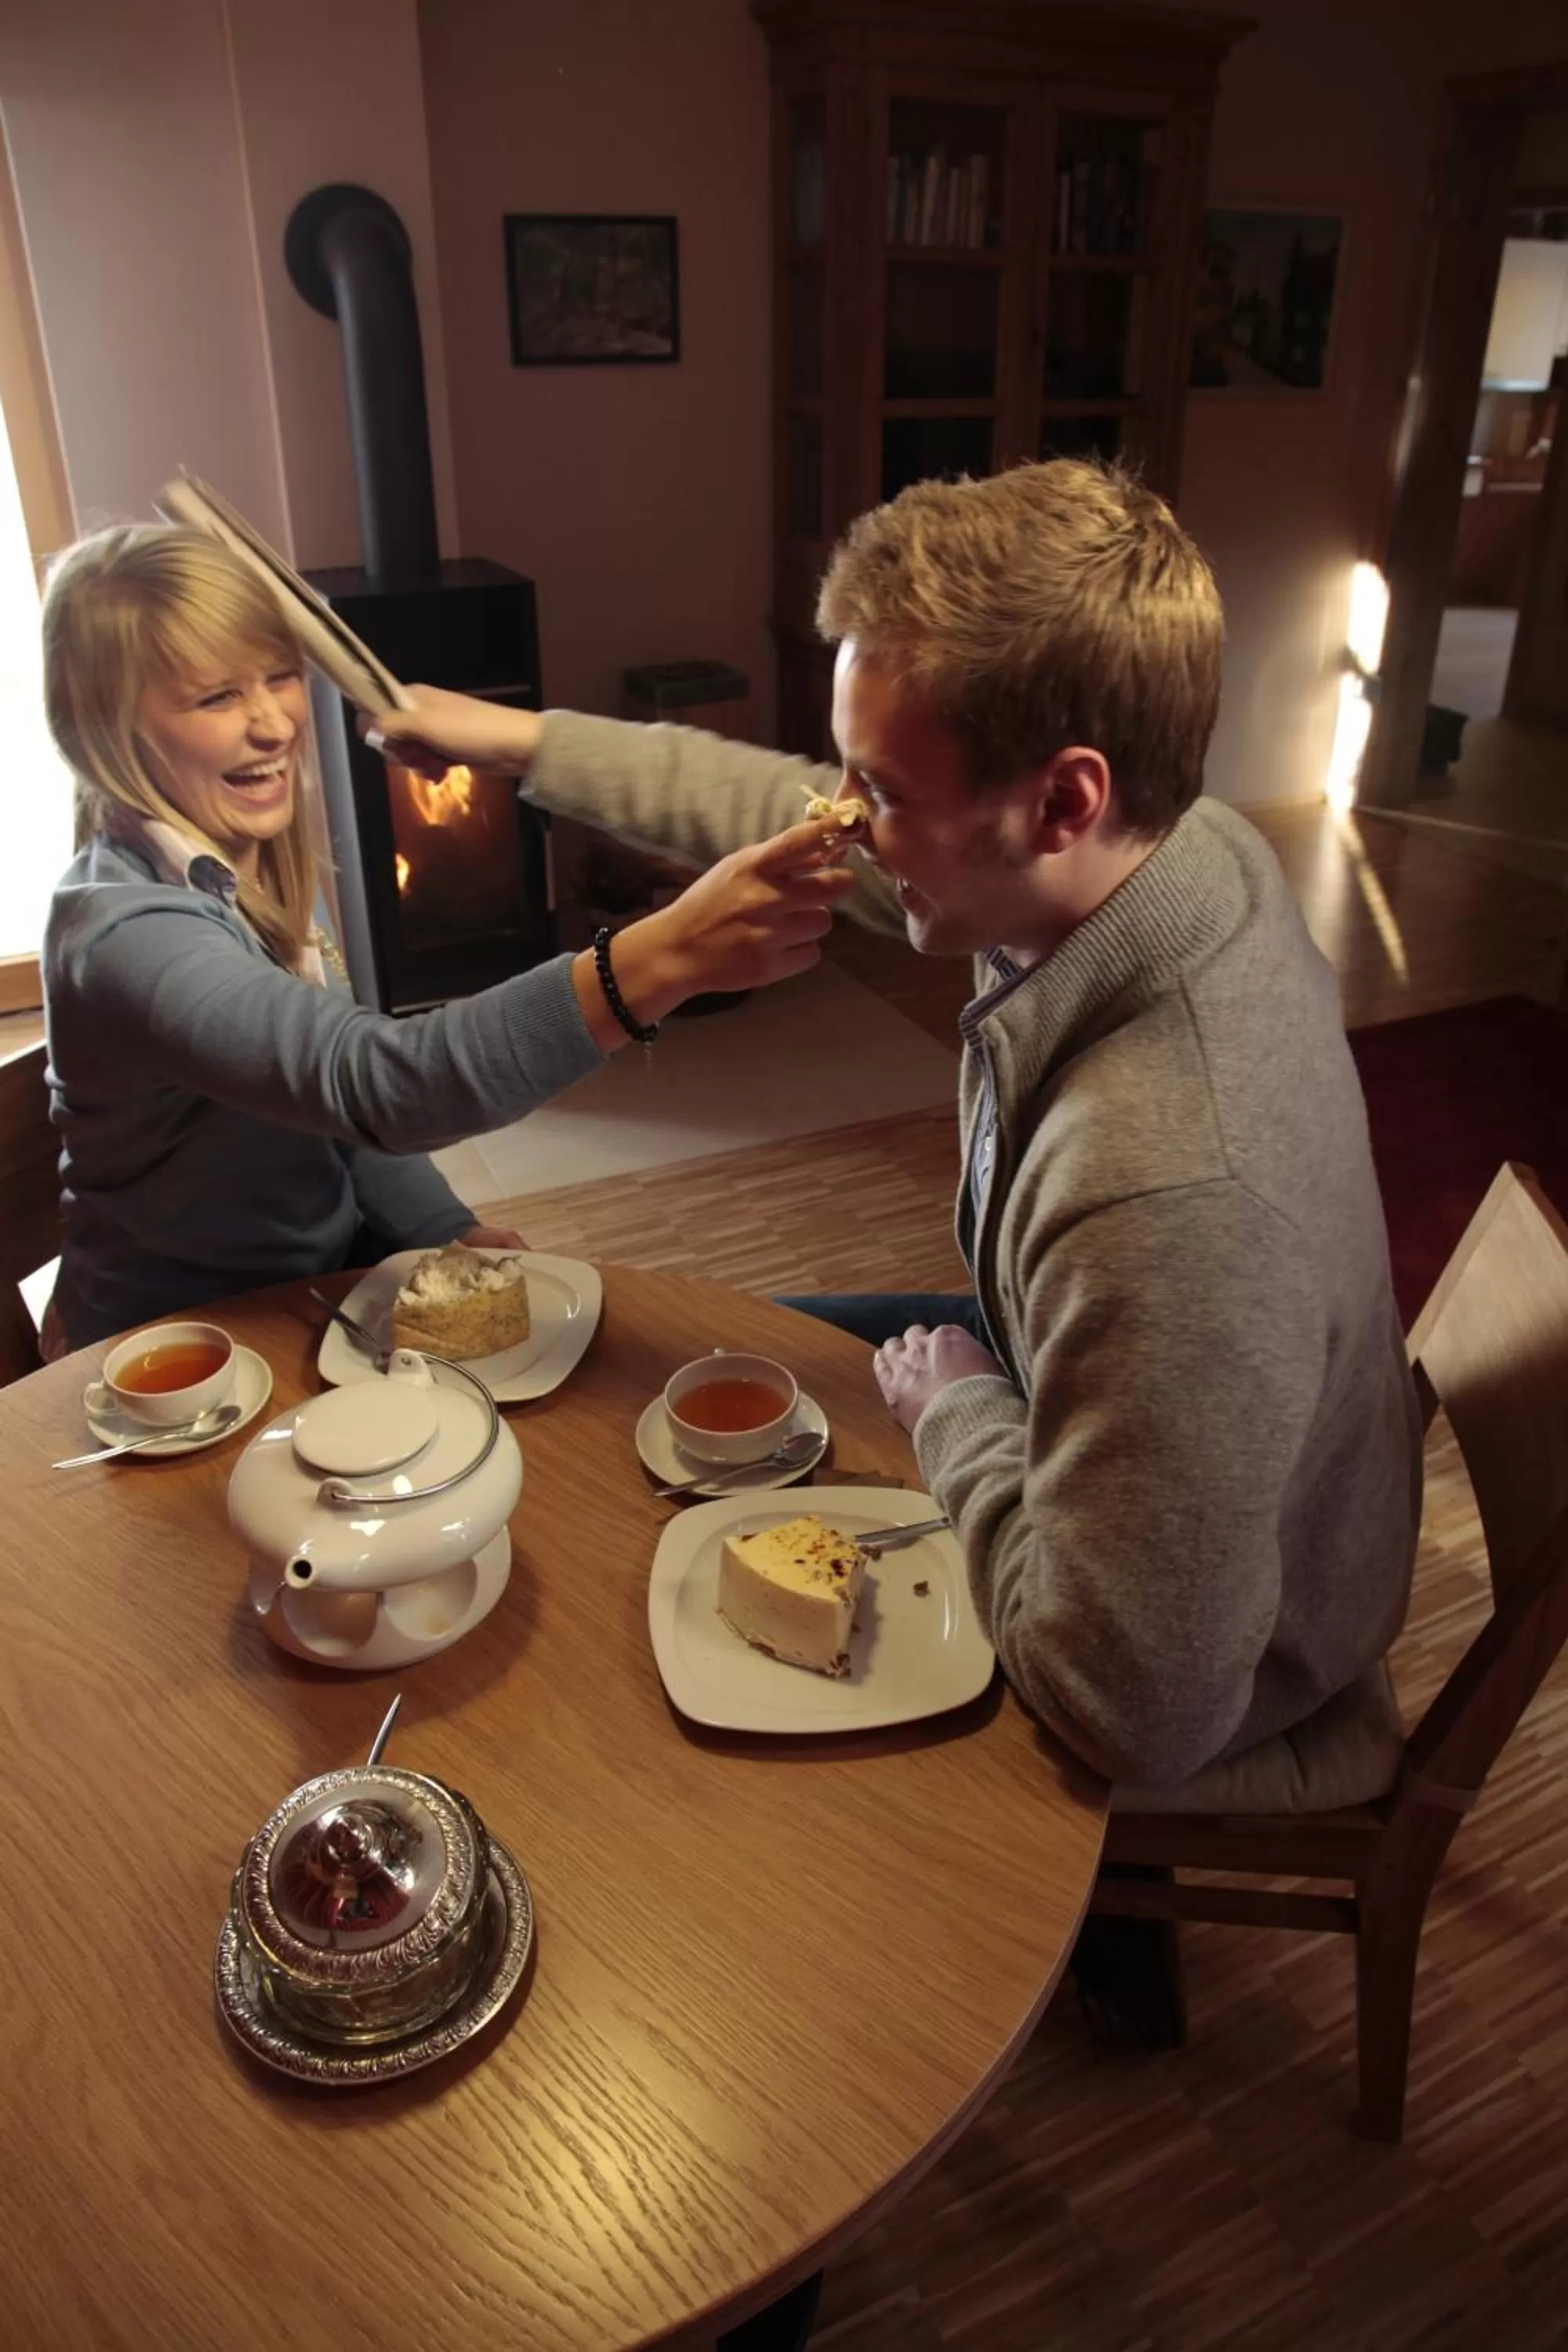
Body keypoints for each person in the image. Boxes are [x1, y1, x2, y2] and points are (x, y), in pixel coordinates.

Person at [365, 459, 1422, 1811]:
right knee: (714, 1364)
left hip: (1219, 1665)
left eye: (882, 795)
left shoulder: (1169, 1190)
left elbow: (1136, 1711)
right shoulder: (1174, 847)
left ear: (1061, 800)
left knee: (723, 1756)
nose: (843, 826)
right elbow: (779, 802)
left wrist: (964, 1417)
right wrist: (517, 747)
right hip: (1123, 1421)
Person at [39, 525, 855, 1348]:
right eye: (217, 697)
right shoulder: (126, 937)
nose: (274, 724)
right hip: (169, 1350)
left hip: (307, 1296)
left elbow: (334, 1120)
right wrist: (655, 959)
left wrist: (441, 1227)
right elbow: (382, 1085)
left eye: (280, 677)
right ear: (98, 726)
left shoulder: (251, 874)